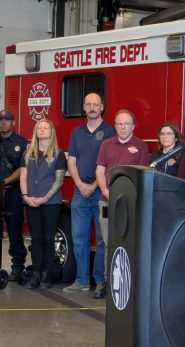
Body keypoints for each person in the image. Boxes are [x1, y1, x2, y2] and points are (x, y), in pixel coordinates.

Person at [63, 93, 115, 298]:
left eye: (96, 104)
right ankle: (82, 281)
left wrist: (94, 185)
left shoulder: (109, 131)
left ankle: (100, 281)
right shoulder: (77, 132)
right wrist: (79, 184)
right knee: (79, 239)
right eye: (88, 104)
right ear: (84, 107)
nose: (92, 108)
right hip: (79, 191)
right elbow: (71, 162)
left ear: (102, 107)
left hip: (101, 192)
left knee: (103, 240)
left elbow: (107, 164)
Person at [95, 109, 150, 296]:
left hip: (130, 204)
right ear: (115, 126)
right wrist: (105, 191)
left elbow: (143, 173)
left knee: (129, 244)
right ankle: (107, 284)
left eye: (127, 123)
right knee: (108, 243)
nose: (123, 127)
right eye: (119, 123)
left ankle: (127, 285)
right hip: (107, 202)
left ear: (133, 126)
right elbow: (100, 171)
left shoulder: (141, 146)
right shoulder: (106, 145)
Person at [20, 119, 67, 289]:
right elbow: (23, 176)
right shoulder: (28, 153)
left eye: (45, 127)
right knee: (36, 239)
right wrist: (25, 196)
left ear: (51, 131)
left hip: (50, 203)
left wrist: (45, 198)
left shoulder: (58, 154)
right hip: (31, 202)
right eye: (39, 127)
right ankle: (36, 274)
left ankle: (47, 274)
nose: (42, 130)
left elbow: (59, 180)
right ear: (35, 131)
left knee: (48, 239)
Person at [0, 109, 28, 281]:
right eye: (1, 119)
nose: (3, 122)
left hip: (13, 193)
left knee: (14, 231)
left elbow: (23, 168)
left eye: (7, 120)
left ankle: (17, 268)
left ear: (13, 122)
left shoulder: (21, 143)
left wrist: (5, 181)